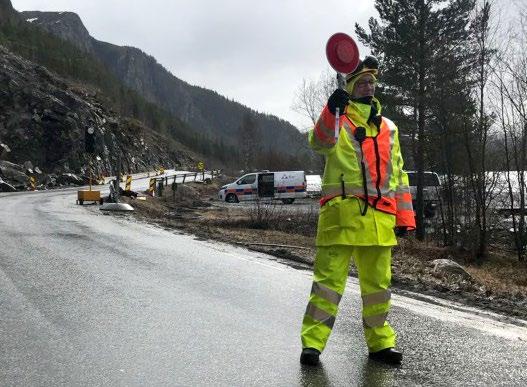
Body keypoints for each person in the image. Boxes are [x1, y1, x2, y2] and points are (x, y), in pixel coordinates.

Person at [299, 56, 415, 366]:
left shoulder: (389, 128)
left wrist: (405, 218)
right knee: (327, 286)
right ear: (350, 87)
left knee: (378, 289)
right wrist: (329, 109)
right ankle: (312, 344)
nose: (368, 87)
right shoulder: (338, 119)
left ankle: (380, 345)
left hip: (379, 222)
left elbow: (399, 175)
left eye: (371, 83)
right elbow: (319, 142)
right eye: (361, 83)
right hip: (341, 219)